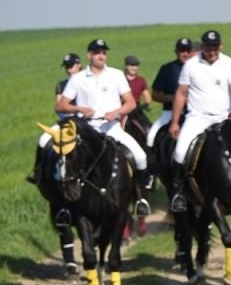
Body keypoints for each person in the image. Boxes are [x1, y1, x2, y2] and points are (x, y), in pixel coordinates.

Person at [50, 39, 153, 216]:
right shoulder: (78, 78)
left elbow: (130, 103)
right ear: (89, 55)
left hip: (111, 128)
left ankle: (139, 197)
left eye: (104, 52)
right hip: (85, 130)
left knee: (140, 156)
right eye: (97, 52)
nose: (101, 56)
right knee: (65, 162)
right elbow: (60, 106)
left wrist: (116, 112)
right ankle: (64, 206)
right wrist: (79, 108)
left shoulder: (116, 75)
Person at [168, 30, 231, 208]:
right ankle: (179, 192)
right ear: (202, 47)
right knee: (179, 152)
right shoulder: (191, 65)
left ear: (220, 46)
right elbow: (182, 93)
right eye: (209, 47)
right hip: (197, 117)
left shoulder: (229, 63)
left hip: (223, 117)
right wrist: (175, 121)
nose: (212, 50)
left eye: (215, 47)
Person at [26, 52, 84, 184]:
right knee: (43, 139)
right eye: (67, 66)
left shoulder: (87, 81)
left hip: (85, 120)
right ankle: (38, 171)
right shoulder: (61, 85)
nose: (69, 69)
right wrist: (67, 118)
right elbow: (58, 107)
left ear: (79, 65)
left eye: (72, 66)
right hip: (67, 121)